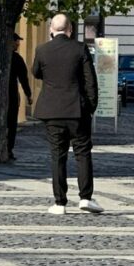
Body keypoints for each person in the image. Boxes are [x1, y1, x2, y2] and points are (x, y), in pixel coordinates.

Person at [31, 14, 102, 215]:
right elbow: (90, 80)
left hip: (52, 110)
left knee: (57, 156)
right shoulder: (79, 49)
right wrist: (90, 106)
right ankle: (85, 198)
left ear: (51, 30)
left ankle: (59, 202)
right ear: (70, 29)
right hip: (77, 110)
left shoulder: (42, 50)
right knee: (83, 154)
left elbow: (36, 72)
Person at [8, 33, 32, 161]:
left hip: (10, 94)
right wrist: (28, 95)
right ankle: (8, 149)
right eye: (16, 42)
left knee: (10, 123)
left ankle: (7, 148)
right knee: (11, 123)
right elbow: (23, 78)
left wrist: (28, 94)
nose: (18, 44)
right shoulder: (17, 59)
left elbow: (23, 78)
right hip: (11, 94)